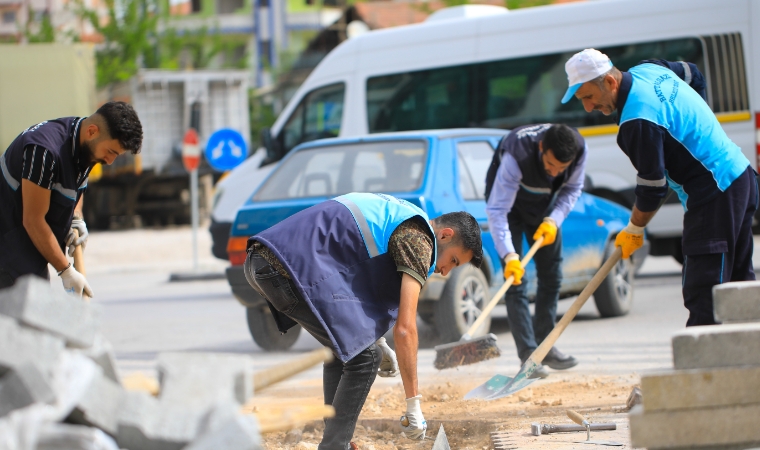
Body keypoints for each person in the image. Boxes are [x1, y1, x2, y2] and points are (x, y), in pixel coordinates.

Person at [244, 192, 483, 449]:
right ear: (445, 235)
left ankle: (336, 441)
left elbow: (349, 284)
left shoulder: (403, 217)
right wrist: (413, 403)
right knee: (365, 358)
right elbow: (405, 329)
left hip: (265, 262)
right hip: (283, 269)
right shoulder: (420, 240)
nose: (445, 271)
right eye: (453, 260)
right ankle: (335, 445)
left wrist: (376, 339)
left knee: (346, 350)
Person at [561, 48, 756, 326]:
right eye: (582, 100)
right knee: (739, 283)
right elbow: (694, 74)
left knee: (705, 291)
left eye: (589, 97)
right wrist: (698, 127)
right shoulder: (650, 69)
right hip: (740, 175)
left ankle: (701, 364)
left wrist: (634, 228)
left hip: (715, 191)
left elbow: (653, 187)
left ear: (611, 82)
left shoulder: (637, 122)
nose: (588, 108)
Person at [0, 102, 143, 296]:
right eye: (110, 152)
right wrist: (66, 270)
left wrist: (76, 217)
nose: (110, 161)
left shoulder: (84, 144)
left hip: (24, 243)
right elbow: (33, 220)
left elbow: (77, 185)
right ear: (92, 131)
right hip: (8, 243)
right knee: (27, 318)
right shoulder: (44, 152)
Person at [484, 123, 586, 379]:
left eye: (561, 169)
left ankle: (546, 346)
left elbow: (572, 189)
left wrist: (554, 219)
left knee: (552, 277)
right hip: (510, 210)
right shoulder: (516, 156)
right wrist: (509, 256)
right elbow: (497, 212)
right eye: (550, 165)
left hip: (545, 209)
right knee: (516, 281)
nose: (554, 173)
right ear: (542, 148)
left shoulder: (579, 151)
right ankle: (529, 355)